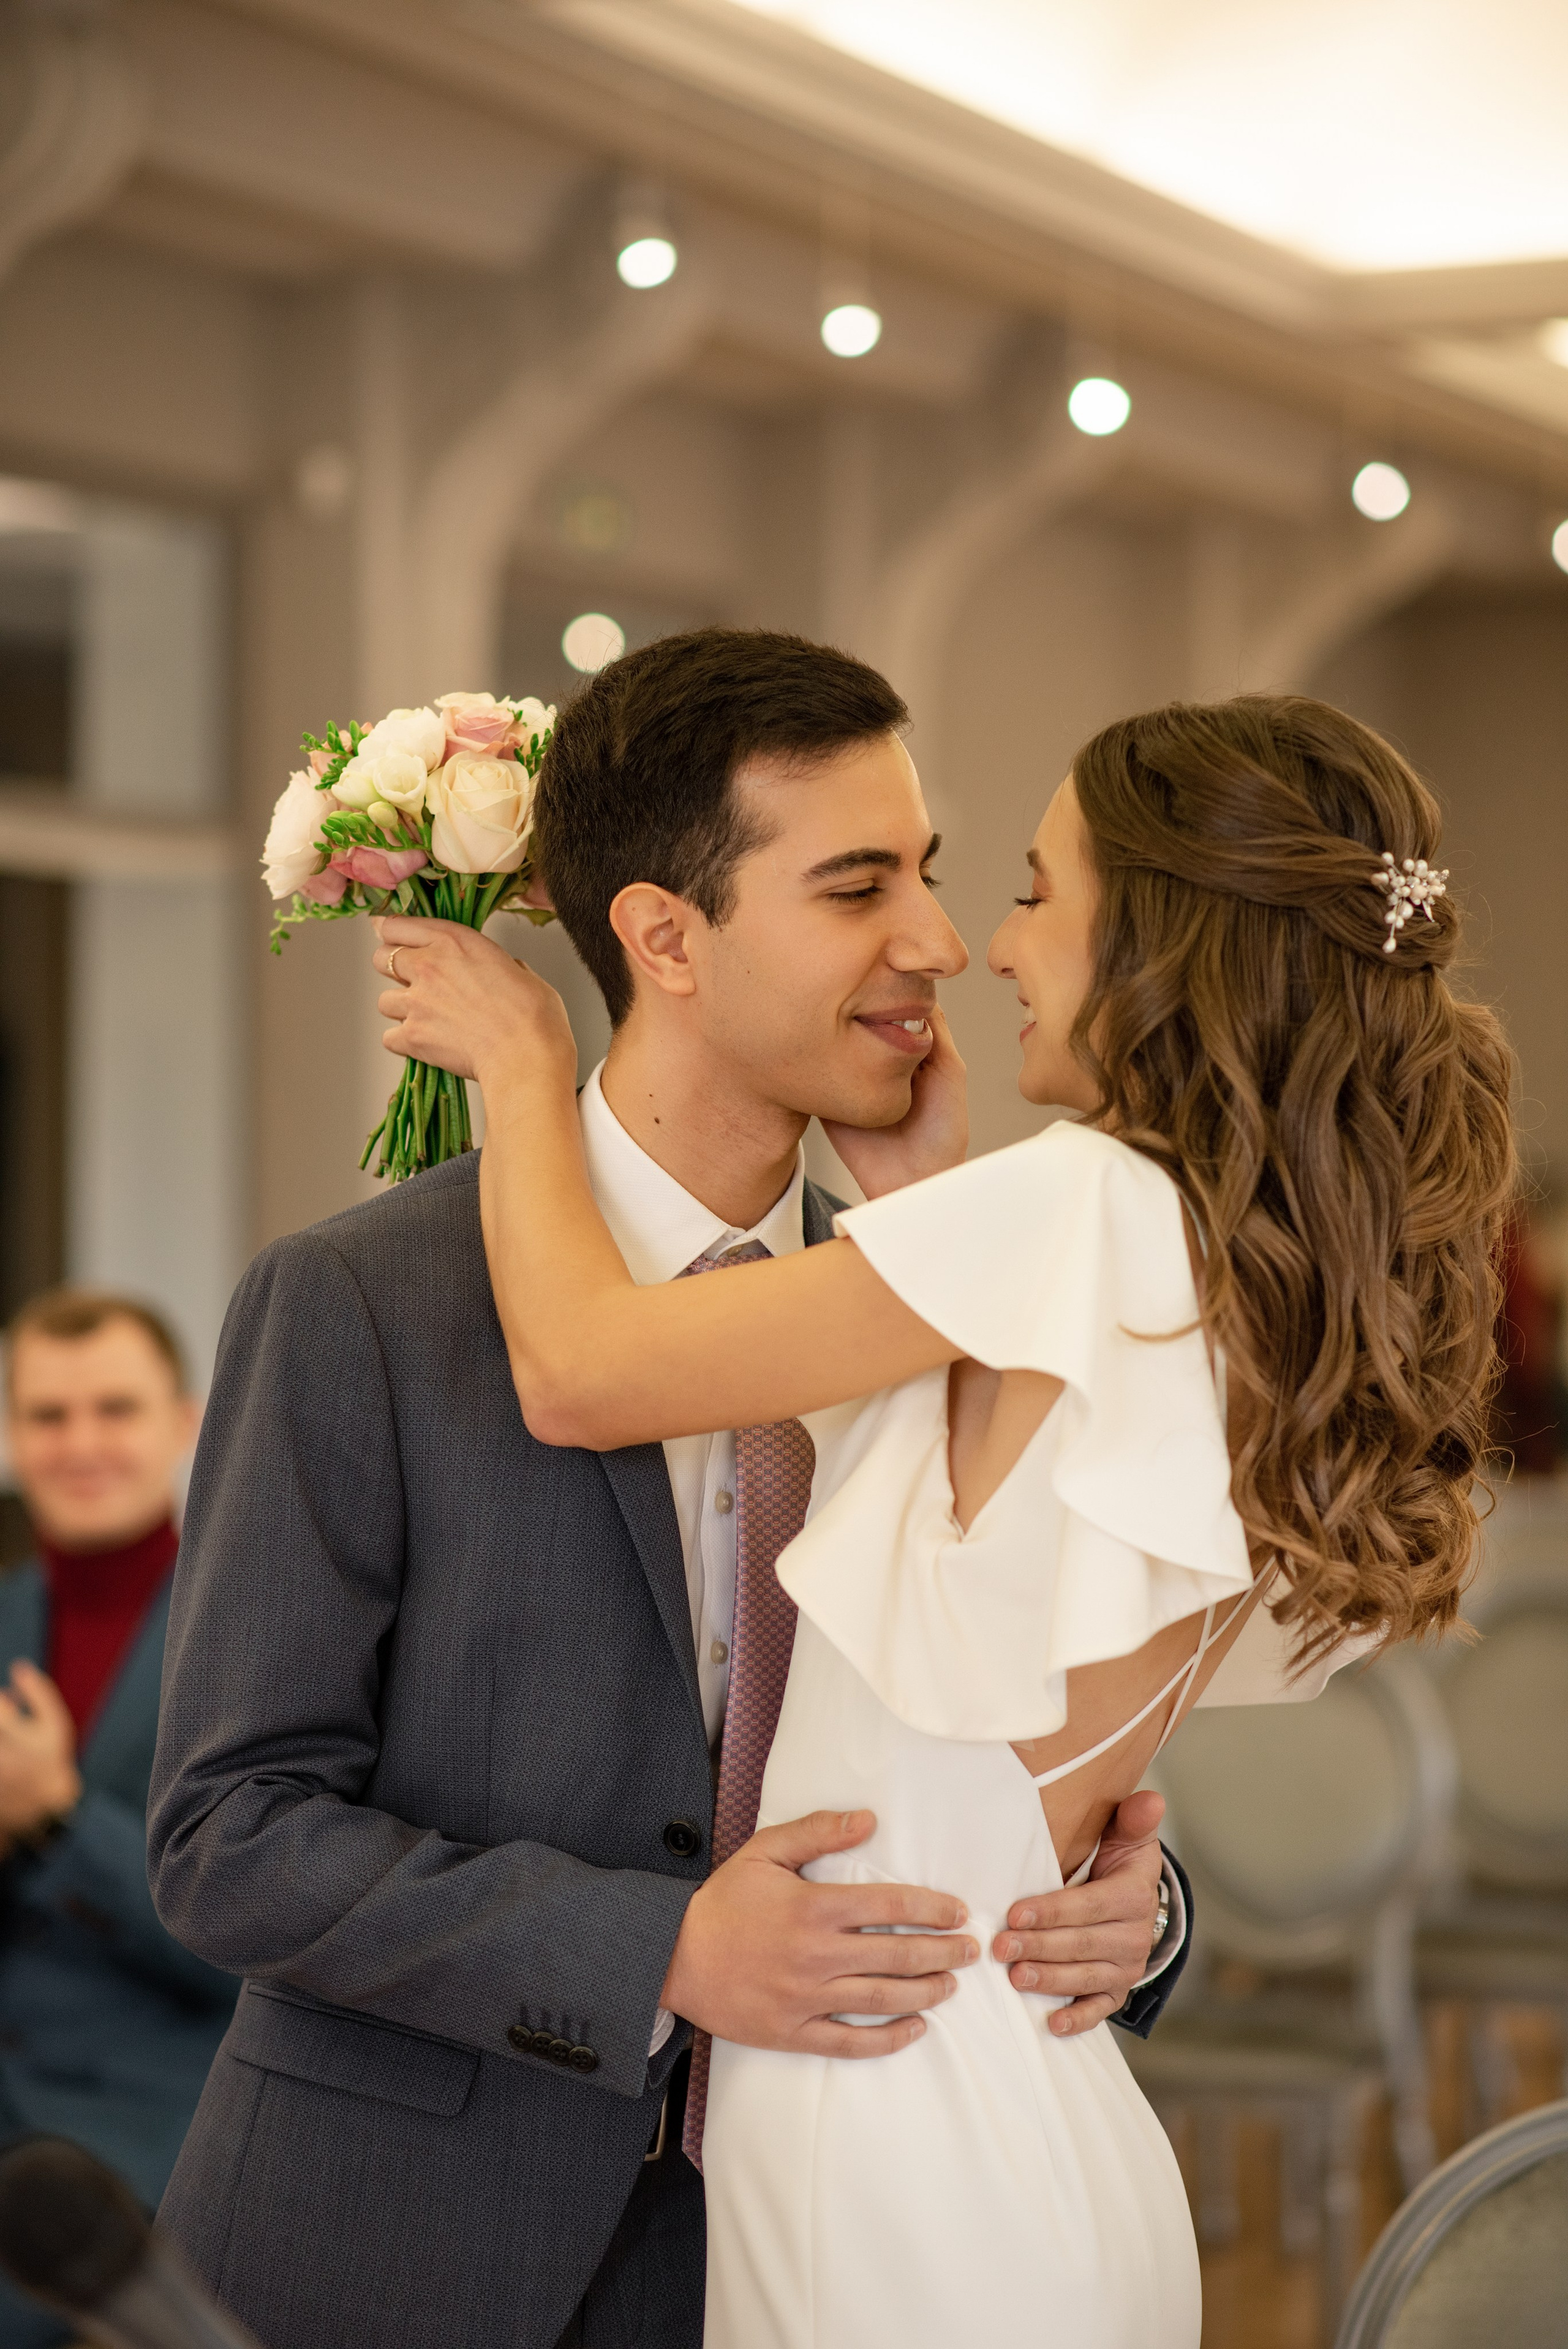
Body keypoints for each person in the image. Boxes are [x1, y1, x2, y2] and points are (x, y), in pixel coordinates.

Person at [374, 688, 1516, 2348]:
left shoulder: (1075, 1208)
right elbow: (1013, 1652)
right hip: (1037, 2110)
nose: (987, 943)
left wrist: (527, 1061)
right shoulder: (1220, 1254)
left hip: (890, 2134)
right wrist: (925, 1214)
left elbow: (576, 1368)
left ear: (1164, 945)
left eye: (1041, 890)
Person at [148, 632, 1190, 2349]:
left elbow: (1033, 1740)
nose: (935, 944)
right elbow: (225, 1833)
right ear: (662, 936)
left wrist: (1128, 1908)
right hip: (390, 2255)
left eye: (930, 875)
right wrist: (655, 1953)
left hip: (808, 2258)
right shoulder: (365, 1304)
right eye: (858, 887)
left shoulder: (937, 1308)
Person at [0, 1290, 237, 2349]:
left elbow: (254, 1940)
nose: (80, 1442)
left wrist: (57, 1816)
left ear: (185, 1423)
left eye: (116, 1408)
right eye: (48, 1416)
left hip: (156, 2187)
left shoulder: (252, 1635)